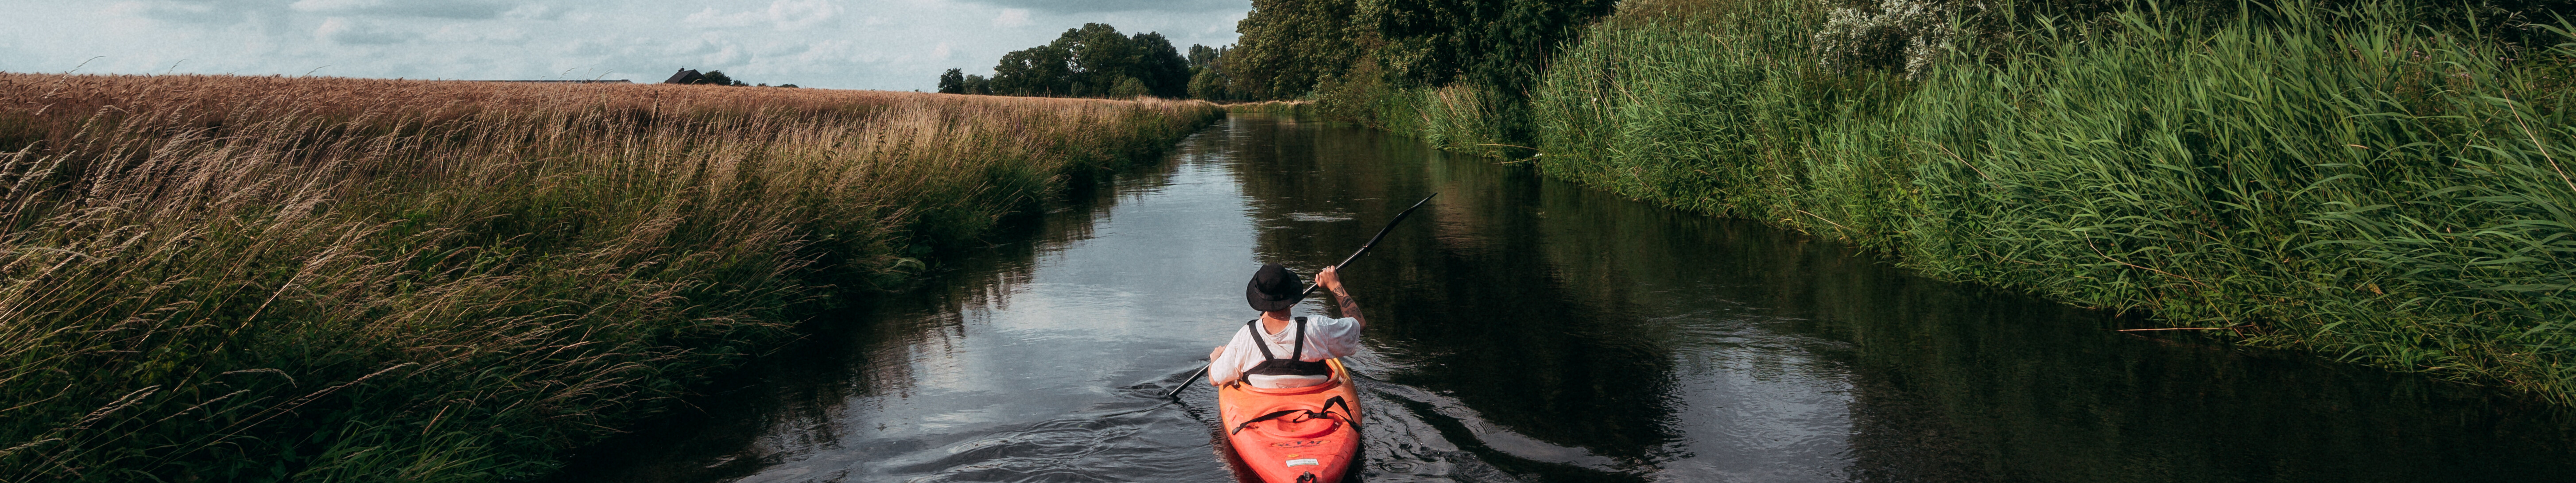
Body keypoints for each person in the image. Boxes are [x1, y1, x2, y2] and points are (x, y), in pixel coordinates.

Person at [1207, 263, 1365, 388]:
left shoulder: (1246, 337)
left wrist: (1215, 359)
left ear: (1259, 298)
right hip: (1315, 409)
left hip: (1262, 415)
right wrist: (1335, 284)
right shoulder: (1318, 328)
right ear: (1292, 293)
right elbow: (1359, 323)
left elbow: (1215, 379)